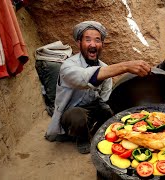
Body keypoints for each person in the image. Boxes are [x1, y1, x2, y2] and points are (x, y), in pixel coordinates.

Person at [44, 21, 151, 154]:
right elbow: (85, 77)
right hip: (72, 112)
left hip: (93, 108)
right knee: (77, 116)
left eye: (97, 40)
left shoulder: (105, 68)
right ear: (79, 43)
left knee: (114, 115)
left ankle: (92, 128)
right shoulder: (68, 66)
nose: (93, 44)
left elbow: (105, 98)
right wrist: (126, 66)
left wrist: (112, 113)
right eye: (87, 40)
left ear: (102, 45)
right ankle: (81, 137)